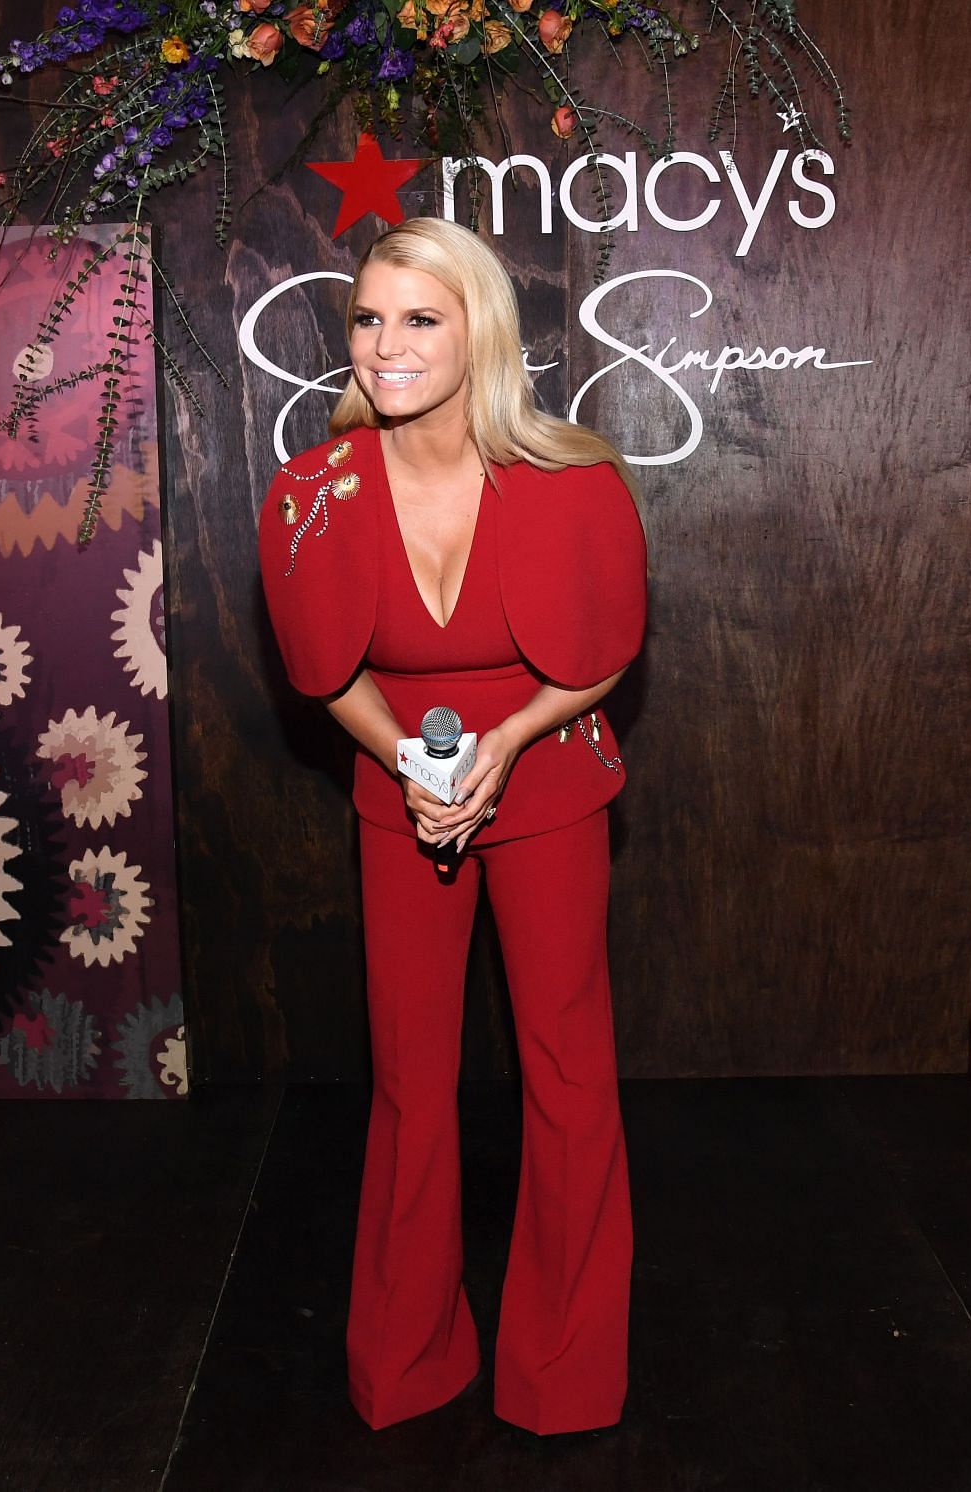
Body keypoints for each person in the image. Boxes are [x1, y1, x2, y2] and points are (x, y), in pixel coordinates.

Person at [256, 217, 648, 1436]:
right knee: (411, 1085)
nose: (385, 345)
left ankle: (566, 1372)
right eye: (369, 320)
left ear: (478, 328)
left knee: (569, 1073)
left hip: (545, 782)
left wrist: (509, 741)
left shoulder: (573, 475)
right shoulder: (312, 490)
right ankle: (408, 1358)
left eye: (419, 318)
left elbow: (601, 650)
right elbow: (323, 670)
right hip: (400, 793)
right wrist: (413, 767)